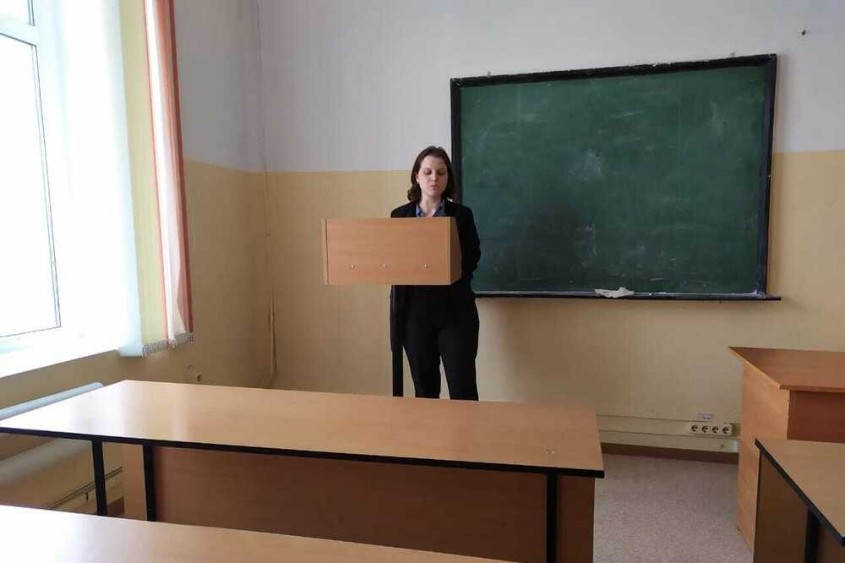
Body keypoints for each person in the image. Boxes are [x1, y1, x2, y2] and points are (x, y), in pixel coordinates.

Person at [389, 146, 481, 400]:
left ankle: (466, 430)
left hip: (455, 314)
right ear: (416, 176)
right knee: (425, 392)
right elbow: (393, 261)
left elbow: (471, 259)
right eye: (427, 172)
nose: (434, 178)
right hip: (413, 315)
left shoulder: (461, 216)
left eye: (441, 173)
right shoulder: (399, 216)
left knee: (463, 390)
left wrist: (439, 267)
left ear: (448, 178)